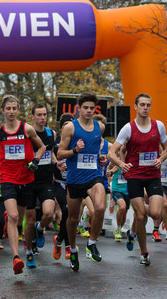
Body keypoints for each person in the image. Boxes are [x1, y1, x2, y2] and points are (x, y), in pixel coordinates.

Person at [108, 93, 167, 266]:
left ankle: (132, 232)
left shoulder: (159, 126)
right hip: (134, 176)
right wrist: (122, 163)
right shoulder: (128, 128)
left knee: (156, 212)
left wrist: (161, 159)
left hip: (153, 176)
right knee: (141, 216)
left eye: (148, 105)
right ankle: (144, 252)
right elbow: (111, 152)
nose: (145, 108)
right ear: (135, 107)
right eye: (142, 104)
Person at [0, 95, 45, 275]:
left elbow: (42, 147)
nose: (11, 112)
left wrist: (35, 160)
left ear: (18, 110)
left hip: (26, 179)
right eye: (8, 109)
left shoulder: (27, 129)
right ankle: (16, 257)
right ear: (3, 111)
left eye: (14, 108)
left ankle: (9, 221)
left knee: (18, 219)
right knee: (14, 217)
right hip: (7, 179)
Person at [57, 92, 107, 272]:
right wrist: (75, 150)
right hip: (74, 179)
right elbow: (60, 154)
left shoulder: (99, 127)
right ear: (79, 108)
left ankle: (91, 243)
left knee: (100, 207)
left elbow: (97, 149)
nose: (89, 111)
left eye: (92, 108)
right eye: (85, 108)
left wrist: (101, 158)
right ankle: (72, 248)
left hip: (93, 175)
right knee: (72, 218)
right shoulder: (70, 127)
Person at [24, 104, 57, 268]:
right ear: (33, 117)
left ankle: (40, 227)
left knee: (49, 213)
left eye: (44, 115)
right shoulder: (27, 134)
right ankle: (29, 252)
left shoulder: (52, 133)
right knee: (29, 220)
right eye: (39, 115)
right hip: (29, 181)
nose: (43, 118)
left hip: (45, 182)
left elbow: (51, 155)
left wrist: (58, 164)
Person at [52, 113, 74, 260]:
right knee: (65, 210)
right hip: (58, 183)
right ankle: (67, 247)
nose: (69, 128)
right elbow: (50, 159)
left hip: (72, 183)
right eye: (66, 125)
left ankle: (59, 239)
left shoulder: (77, 142)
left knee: (71, 215)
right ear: (61, 128)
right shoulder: (56, 143)